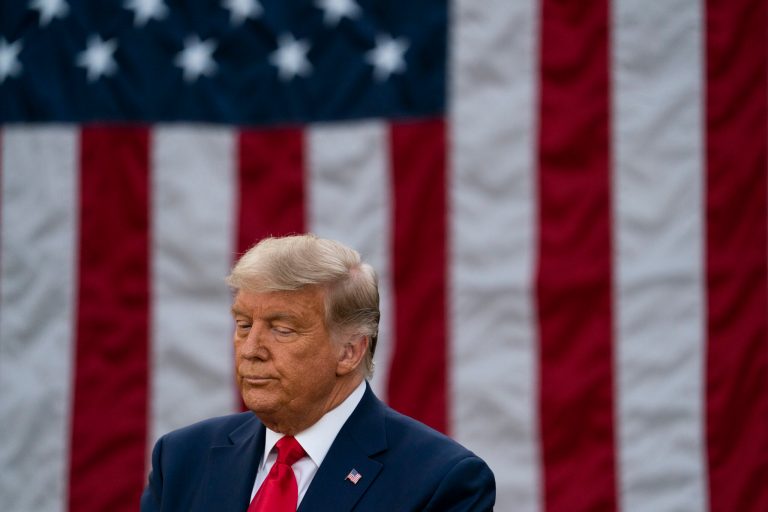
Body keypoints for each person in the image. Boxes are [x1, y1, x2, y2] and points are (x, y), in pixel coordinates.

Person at [140, 234, 495, 511]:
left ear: (350, 351)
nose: (250, 350)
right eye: (244, 324)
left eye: (282, 329)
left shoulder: (440, 480)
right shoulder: (182, 459)